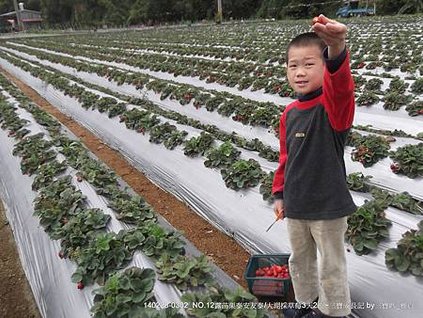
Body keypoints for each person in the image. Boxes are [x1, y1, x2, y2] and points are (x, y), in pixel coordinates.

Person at [272, 14, 357, 318]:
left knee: (331, 265)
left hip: (327, 206)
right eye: (293, 65)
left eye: (309, 64)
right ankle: (307, 302)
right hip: (296, 205)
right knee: (300, 259)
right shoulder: (289, 113)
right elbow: (285, 158)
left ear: (324, 67)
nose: (300, 72)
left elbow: (343, 90)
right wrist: (280, 195)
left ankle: (333, 311)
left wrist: (337, 50)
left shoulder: (333, 110)